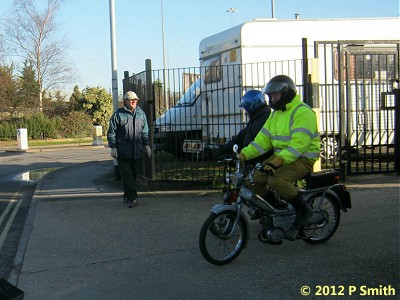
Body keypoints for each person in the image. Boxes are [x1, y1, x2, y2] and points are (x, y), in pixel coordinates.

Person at [238, 75, 320, 231]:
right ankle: (275, 206)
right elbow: (262, 140)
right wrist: (244, 154)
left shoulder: (303, 112)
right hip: (282, 156)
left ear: (287, 93)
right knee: (254, 179)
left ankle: (303, 209)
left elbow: (299, 145)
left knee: (276, 181)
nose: (272, 100)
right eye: (270, 96)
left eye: (275, 95)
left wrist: (278, 161)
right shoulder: (275, 114)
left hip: (303, 158)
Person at [107, 91, 151, 208]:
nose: (133, 102)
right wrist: (113, 147)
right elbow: (111, 132)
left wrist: (146, 145)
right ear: (125, 101)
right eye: (131, 100)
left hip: (136, 152)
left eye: (135, 100)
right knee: (127, 175)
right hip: (123, 152)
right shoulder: (118, 114)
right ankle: (133, 198)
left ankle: (127, 195)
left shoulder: (141, 114)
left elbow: (144, 131)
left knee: (133, 175)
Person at [216, 89, 271, 162]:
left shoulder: (263, 121)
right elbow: (241, 137)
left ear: (252, 106)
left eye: (246, 108)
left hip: (259, 163)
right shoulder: (256, 119)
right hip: (252, 162)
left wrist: (241, 157)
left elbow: (260, 145)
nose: (245, 111)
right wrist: (224, 150)